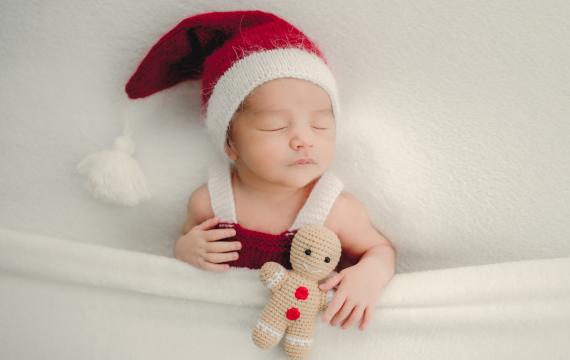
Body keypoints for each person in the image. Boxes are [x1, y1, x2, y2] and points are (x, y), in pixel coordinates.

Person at [99, 10, 396, 332]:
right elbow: (185, 238)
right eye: (275, 126)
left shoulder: (335, 209)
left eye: (320, 125)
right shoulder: (210, 203)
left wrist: (371, 274)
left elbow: (379, 249)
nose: (303, 140)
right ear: (230, 144)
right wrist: (186, 249)